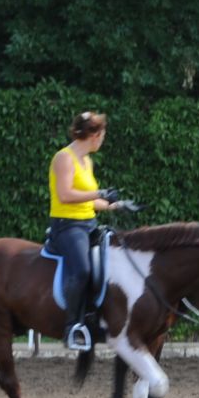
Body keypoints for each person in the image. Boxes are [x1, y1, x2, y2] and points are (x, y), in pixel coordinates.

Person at [45, 110, 125, 351]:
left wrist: (114, 206)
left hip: (89, 224)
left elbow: (88, 202)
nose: (102, 140)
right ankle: (72, 327)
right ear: (94, 135)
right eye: (102, 135)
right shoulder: (64, 158)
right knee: (81, 270)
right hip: (67, 226)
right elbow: (66, 195)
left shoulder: (86, 161)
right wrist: (99, 193)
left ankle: (97, 319)